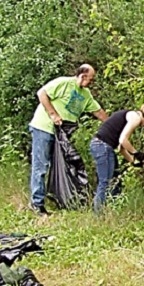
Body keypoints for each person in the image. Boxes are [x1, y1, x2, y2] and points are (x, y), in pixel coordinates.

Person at [28, 64, 108, 215]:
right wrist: (53, 114)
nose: (92, 82)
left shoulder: (85, 94)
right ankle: (37, 205)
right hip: (44, 128)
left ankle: (58, 198)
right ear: (83, 76)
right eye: (91, 79)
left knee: (62, 166)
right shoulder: (63, 83)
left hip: (62, 134)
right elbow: (42, 93)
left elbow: (98, 112)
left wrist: (113, 125)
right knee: (41, 166)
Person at [90, 103, 144, 213]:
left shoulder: (130, 116)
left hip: (103, 146)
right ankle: (98, 214)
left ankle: (114, 210)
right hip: (102, 146)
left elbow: (121, 147)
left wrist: (133, 161)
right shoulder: (135, 117)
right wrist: (136, 153)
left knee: (116, 180)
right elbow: (123, 140)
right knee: (105, 182)